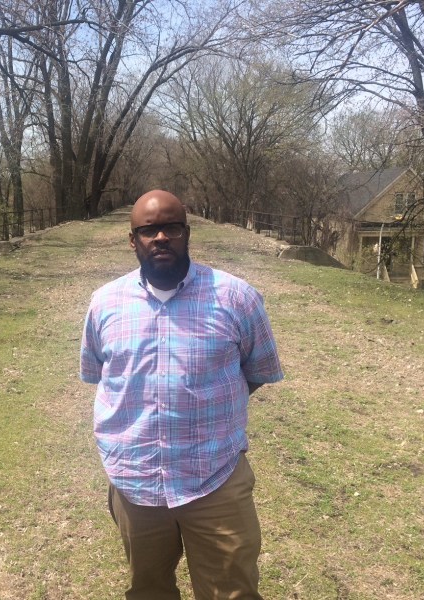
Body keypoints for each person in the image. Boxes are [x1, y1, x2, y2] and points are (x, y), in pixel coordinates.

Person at [79, 190, 284, 600]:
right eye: (148, 230)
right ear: (132, 239)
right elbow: (100, 374)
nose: (160, 238)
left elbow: (258, 371)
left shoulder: (236, 297)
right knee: (149, 589)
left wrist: (206, 406)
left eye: (170, 227)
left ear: (186, 233)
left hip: (215, 477)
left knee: (233, 592)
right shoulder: (104, 303)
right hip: (135, 479)